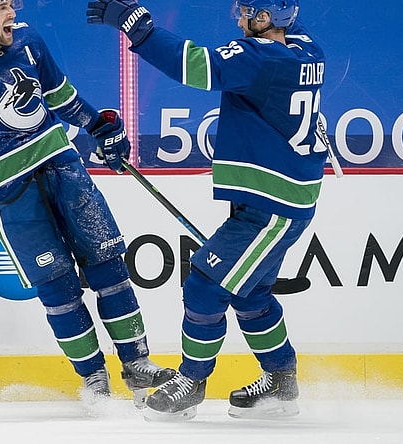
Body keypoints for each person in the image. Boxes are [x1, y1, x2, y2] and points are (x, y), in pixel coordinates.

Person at [0, 0, 174, 406]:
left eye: (11, 5)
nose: (12, 14)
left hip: (63, 165)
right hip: (8, 188)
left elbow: (61, 96)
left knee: (108, 265)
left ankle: (137, 363)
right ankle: (94, 379)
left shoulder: (29, 40)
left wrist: (97, 125)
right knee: (58, 287)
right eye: (1, 8)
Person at [87, 0, 327, 420]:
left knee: (204, 285)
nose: (239, 18)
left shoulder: (261, 57)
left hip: (271, 207)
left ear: (267, 19)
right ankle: (281, 383)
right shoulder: (306, 48)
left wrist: (136, 26)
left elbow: (195, 66)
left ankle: (191, 383)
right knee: (250, 293)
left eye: (247, 11)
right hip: (279, 199)